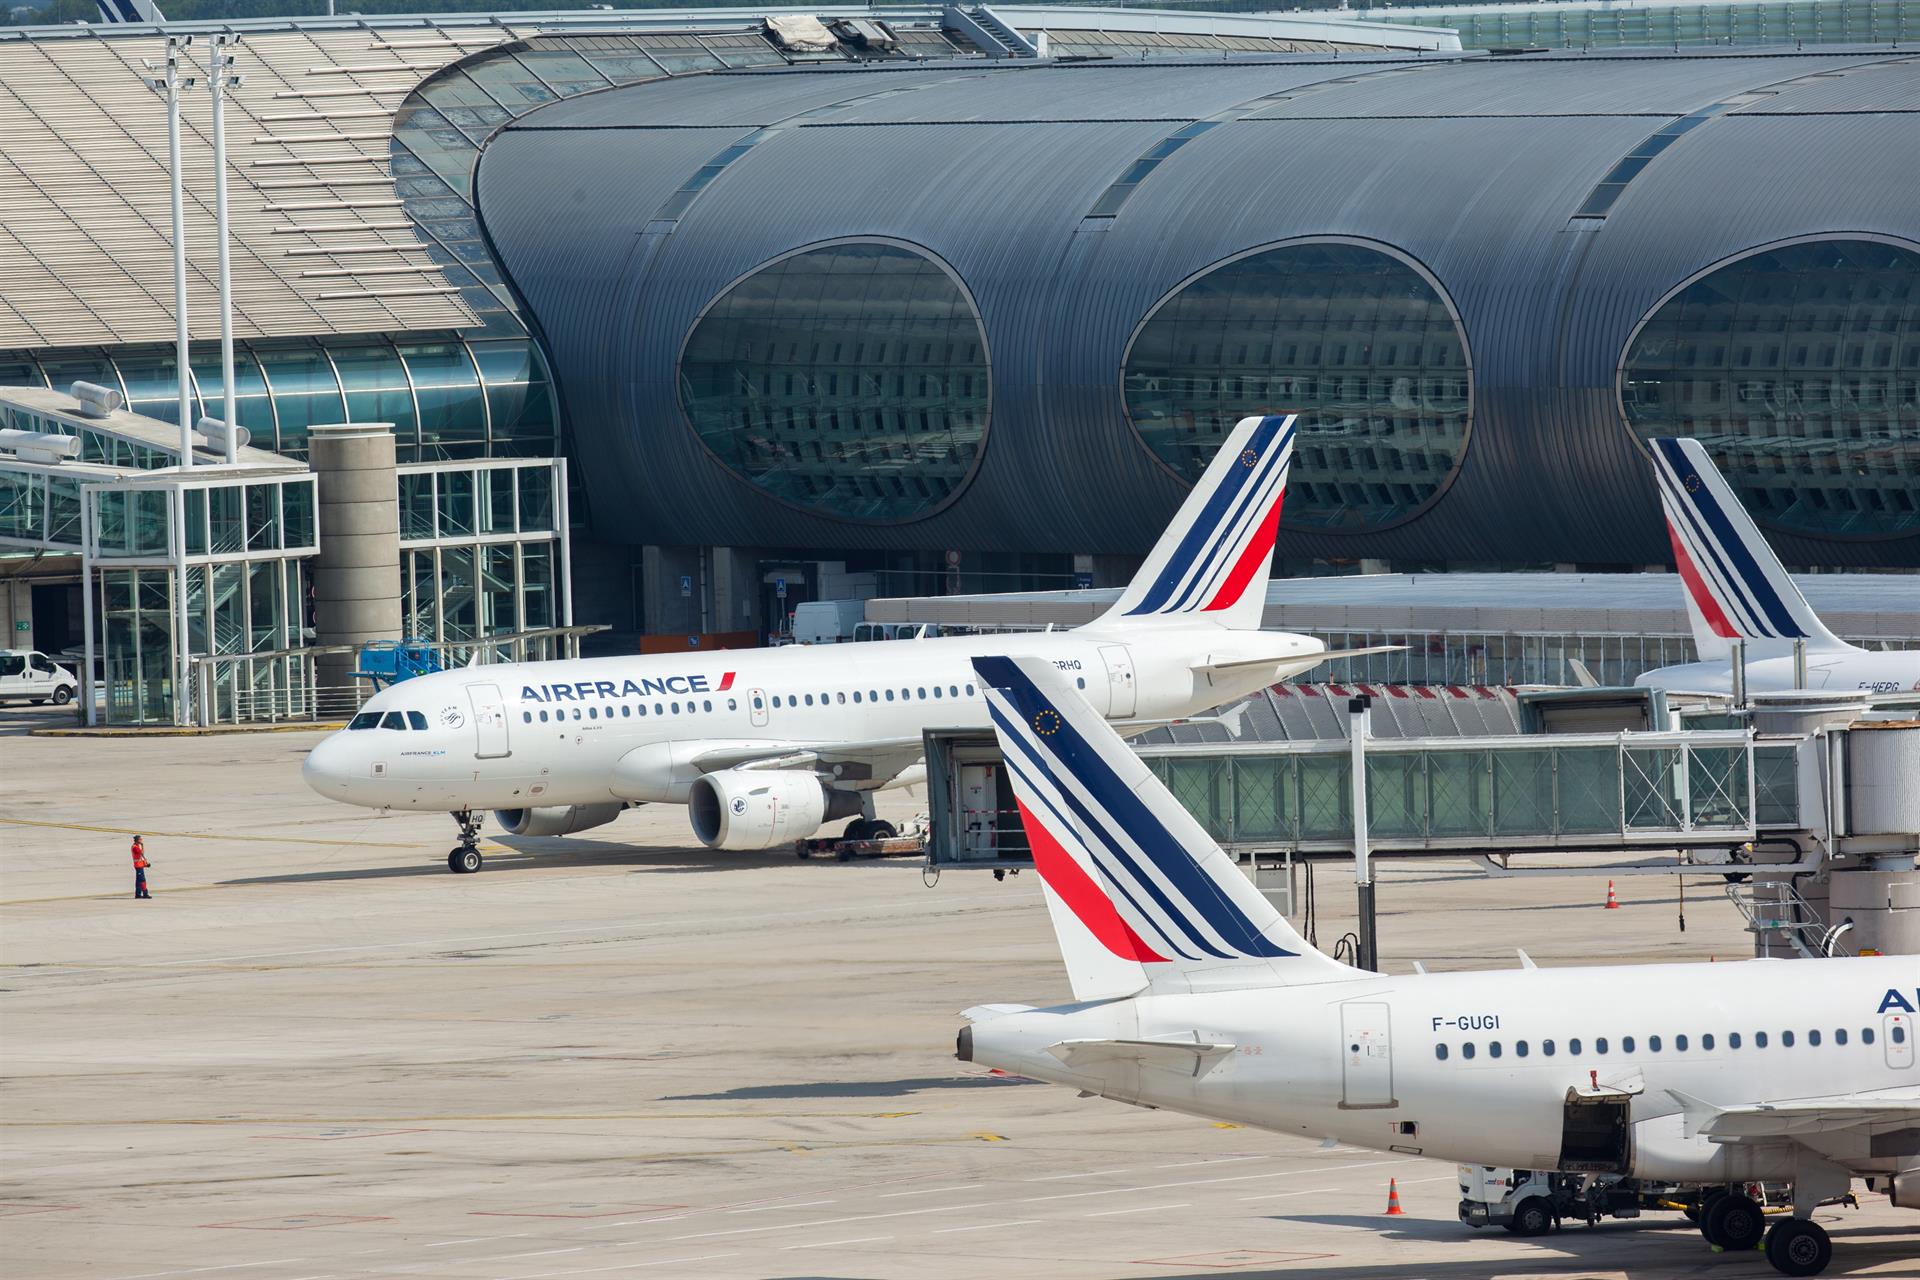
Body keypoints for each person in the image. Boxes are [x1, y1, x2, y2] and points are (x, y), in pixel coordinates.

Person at [131, 834, 151, 900]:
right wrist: (142, 845)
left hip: (139, 865)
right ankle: (145, 893)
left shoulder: (136, 846)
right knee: (142, 880)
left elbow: (140, 857)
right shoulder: (135, 847)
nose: (141, 840)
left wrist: (145, 864)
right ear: (137, 840)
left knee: (138, 881)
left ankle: (138, 894)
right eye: (140, 839)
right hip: (138, 866)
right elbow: (142, 853)